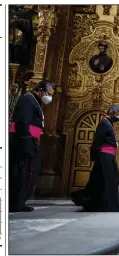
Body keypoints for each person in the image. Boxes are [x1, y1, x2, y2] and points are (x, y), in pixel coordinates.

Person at [9, 80, 56, 212]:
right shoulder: (27, 100)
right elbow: (23, 122)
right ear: (40, 90)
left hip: (30, 140)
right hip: (23, 141)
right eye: (48, 93)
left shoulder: (34, 101)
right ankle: (16, 203)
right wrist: (27, 142)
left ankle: (19, 202)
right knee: (21, 173)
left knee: (28, 172)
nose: (49, 97)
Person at [71, 105, 119, 212]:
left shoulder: (109, 124)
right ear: (112, 113)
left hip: (109, 156)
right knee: (108, 181)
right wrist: (95, 156)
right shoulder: (103, 124)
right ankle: (106, 205)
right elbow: (97, 141)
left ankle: (97, 202)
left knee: (103, 180)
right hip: (104, 156)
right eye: (118, 114)